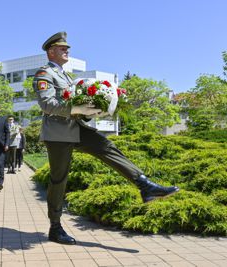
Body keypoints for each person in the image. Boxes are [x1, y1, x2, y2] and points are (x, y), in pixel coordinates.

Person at [33, 32, 179, 245]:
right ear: (51, 51)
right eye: (63, 48)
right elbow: (46, 105)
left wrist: (91, 110)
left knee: (106, 146)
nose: (67, 51)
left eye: (67, 48)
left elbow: (75, 103)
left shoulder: (66, 76)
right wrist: (76, 107)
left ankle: (145, 186)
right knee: (59, 179)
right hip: (57, 134)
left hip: (76, 127)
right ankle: (55, 227)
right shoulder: (44, 73)